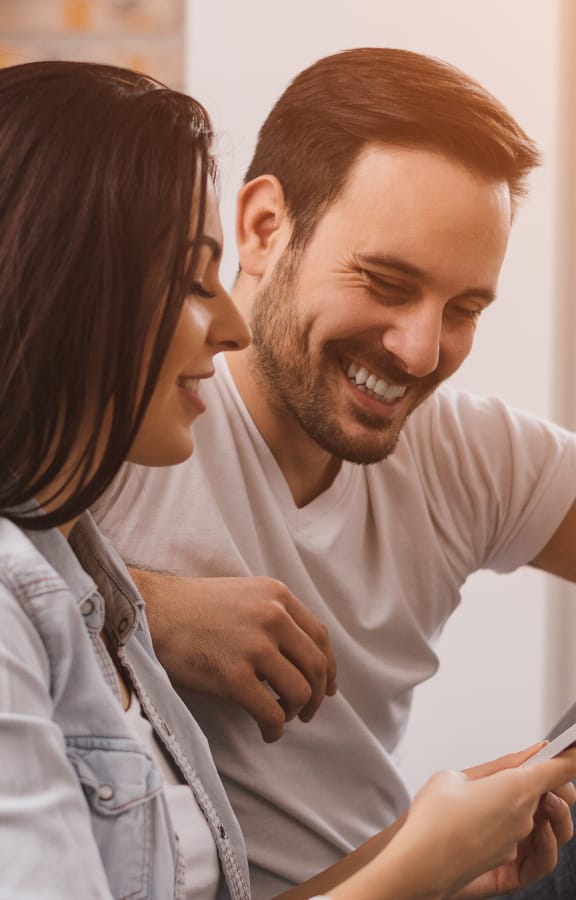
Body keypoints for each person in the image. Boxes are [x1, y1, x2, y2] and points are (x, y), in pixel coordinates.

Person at [4, 57, 576, 900]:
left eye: (464, 311)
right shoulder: (113, 433)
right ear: (266, 227)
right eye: (386, 283)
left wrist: (438, 856)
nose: (422, 351)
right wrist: (149, 611)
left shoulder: (462, 449)